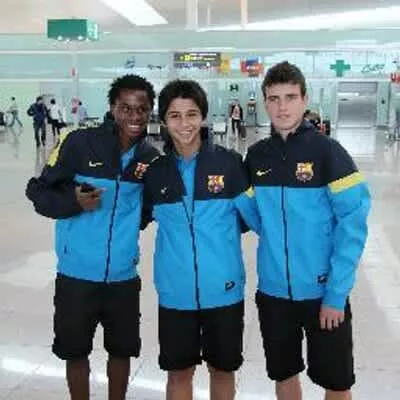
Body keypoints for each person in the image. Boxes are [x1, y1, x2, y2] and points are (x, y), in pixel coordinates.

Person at [25, 74, 159, 400]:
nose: (134, 116)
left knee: (122, 351)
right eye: (125, 108)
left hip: (123, 277)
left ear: (150, 111)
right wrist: (74, 201)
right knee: (75, 352)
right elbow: (39, 192)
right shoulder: (78, 143)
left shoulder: (150, 158)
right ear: (112, 108)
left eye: (141, 109)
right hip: (76, 275)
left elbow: (146, 211)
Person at [245, 61, 371, 400]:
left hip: (322, 292)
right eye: (274, 98)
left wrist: (336, 294)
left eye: (290, 97)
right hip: (274, 293)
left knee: (337, 382)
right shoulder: (256, 156)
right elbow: (253, 214)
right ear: (265, 102)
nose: (282, 107)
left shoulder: (328, 152)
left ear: (304, 100)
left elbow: (353, 227)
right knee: (284, 374)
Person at [142, 79, 260, 400]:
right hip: (175, 293)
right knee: (179, 373)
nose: (184, 124)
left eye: (191, 114)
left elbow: (251, 220)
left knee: (222, 370)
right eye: (175, 116)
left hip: (224, 290)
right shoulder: (156, 172)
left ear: (204, 116)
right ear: (164, 121)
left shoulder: (229, 164)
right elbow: (135, 217)